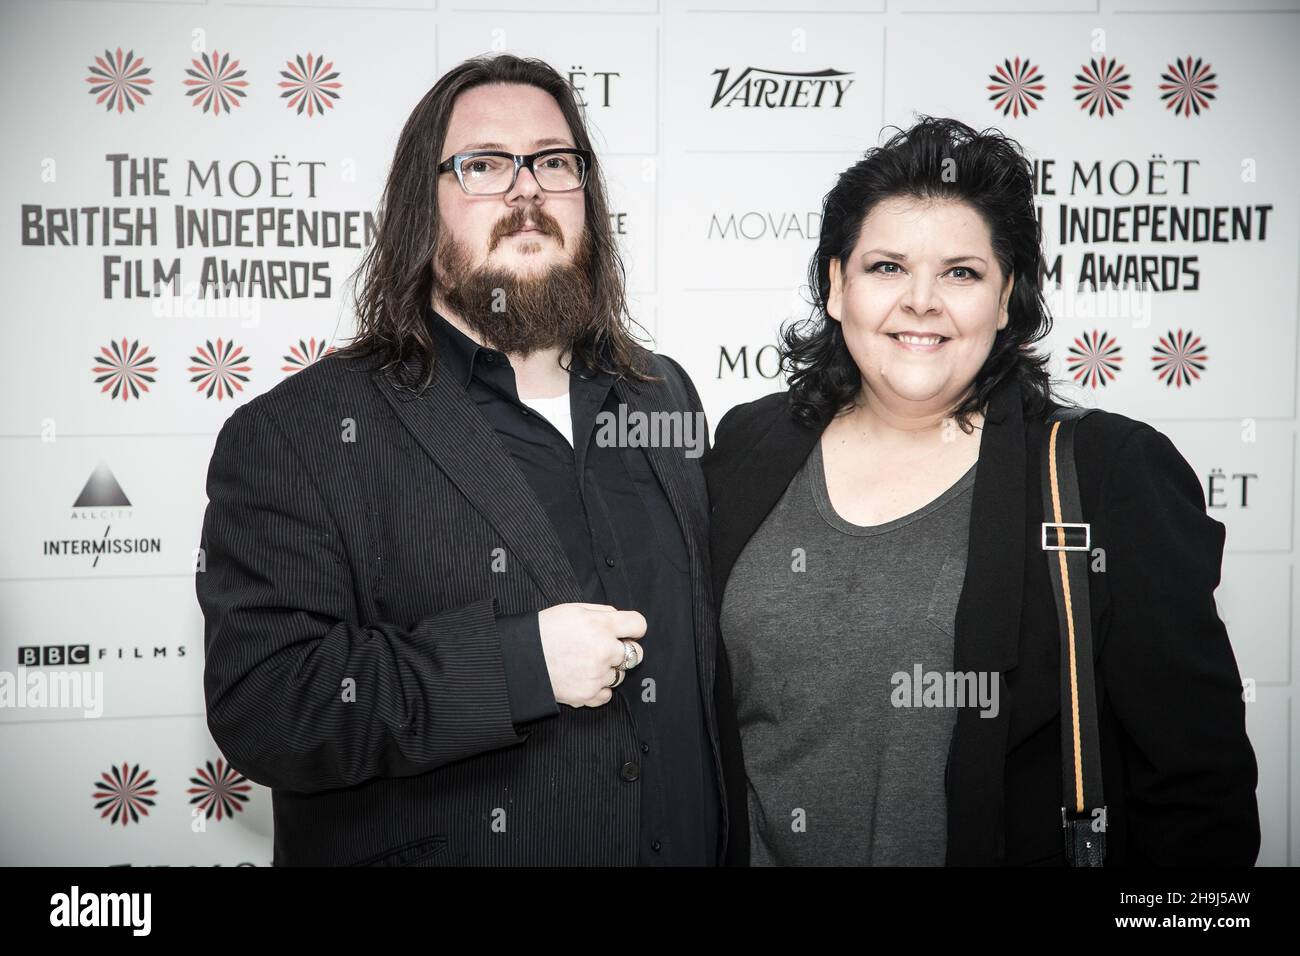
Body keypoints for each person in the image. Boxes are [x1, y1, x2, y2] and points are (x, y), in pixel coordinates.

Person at [196, 53, 725, 866]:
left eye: (554, 162)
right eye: (483, 166)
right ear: (422, 206)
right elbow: (270, 709)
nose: (526, 192)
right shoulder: (296, 435)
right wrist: (519, 666)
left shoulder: (662, 396)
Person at [703, 116, 1260, 866]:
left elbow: (1199, 792)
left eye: (961, 273)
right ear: (836, 286)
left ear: (1005, 303)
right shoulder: (749, 444)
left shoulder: (1108, 473)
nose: (922, 301)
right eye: (887, 267)